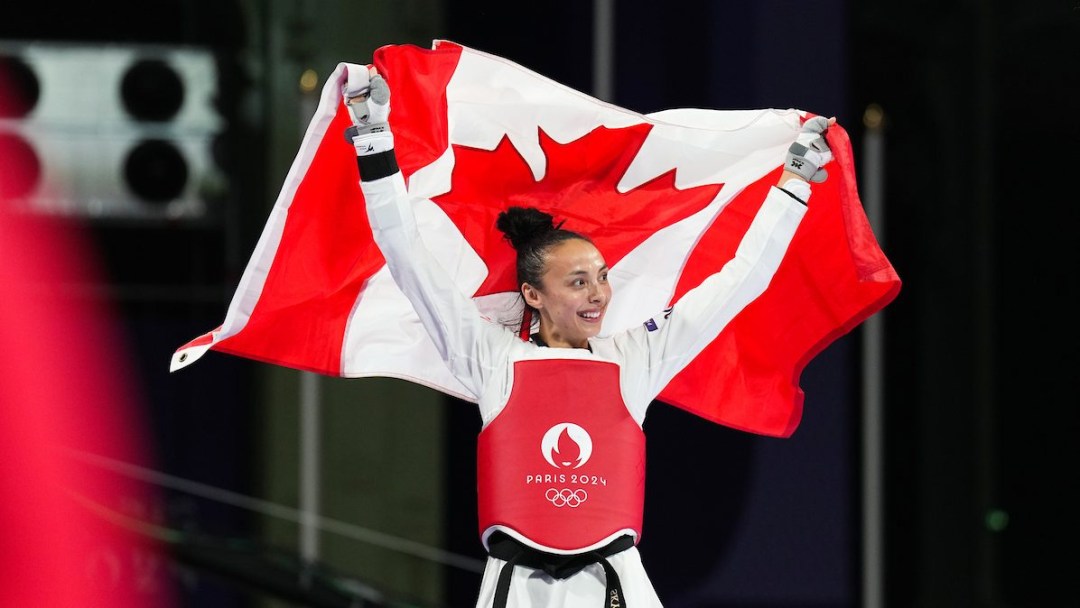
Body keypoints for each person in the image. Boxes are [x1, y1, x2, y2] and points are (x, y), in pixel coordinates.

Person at [342, 65, 833, 608]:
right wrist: (373, 136)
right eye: (578, 282)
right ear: (533, 294)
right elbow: (407, 256)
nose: (599, 294)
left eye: (602, 277)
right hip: (516, 592)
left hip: (618, 587)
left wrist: (793, 185)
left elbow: (740, 281)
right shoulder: (491, 359)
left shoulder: (637, 357)